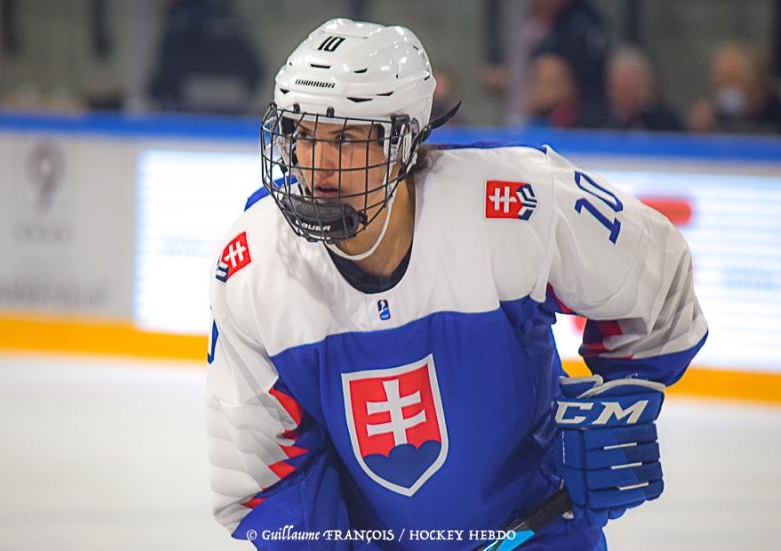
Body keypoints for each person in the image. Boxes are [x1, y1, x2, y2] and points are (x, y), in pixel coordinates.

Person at [206, 19, 708, 551]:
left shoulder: (513, 203)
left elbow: (655, 273)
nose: (317, 164)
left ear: (403, 142)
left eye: (347, 137)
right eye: (303, 133)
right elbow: (259, 477)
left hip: (540, 530)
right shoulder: (254, 261)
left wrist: (621, 400)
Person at [484, 0, 610, 127]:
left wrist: (535, 75)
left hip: (574, 118)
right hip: (528, 117)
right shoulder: (525, 20)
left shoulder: (583, 22)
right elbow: (493, 70)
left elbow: (572, 74)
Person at [686, 42, 781, 134]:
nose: (721, 91)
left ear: (753, 84)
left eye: (728, 81)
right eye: (718, 83)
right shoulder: (715, 118)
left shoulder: (776, 117)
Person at [604, 47, 683, 132]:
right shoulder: (597, 120)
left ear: (644, 88)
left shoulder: (665, 122)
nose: (624, 95)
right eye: (618, 88)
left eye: (629, 88)